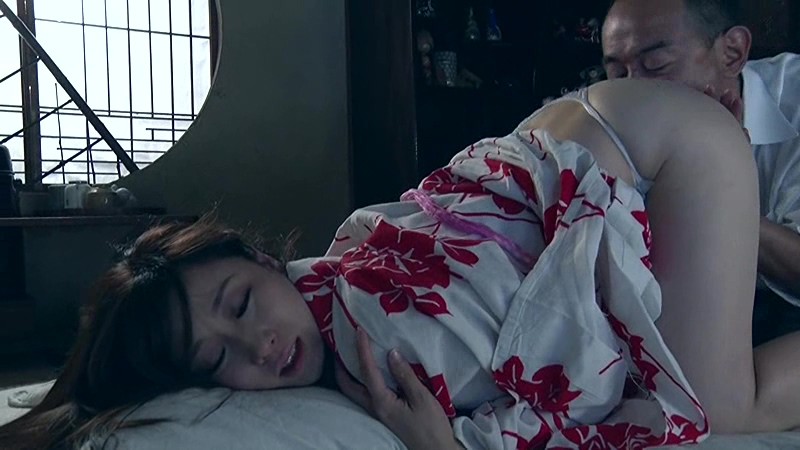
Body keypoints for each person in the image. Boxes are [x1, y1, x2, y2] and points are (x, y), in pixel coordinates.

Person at [3, 79, 800, 450]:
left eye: (241, 304)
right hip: (586, 129)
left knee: (719, 407)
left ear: (264, 260)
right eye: (218, 362)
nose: (259, 348)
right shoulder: (328, 276)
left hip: (660, 146)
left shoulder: (380, 345)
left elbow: (575, 388)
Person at [601, 0, 800, 339]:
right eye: (619, 74)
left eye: (656, 65)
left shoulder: (793, 102)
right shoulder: (612, 113)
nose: (632, 89)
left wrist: (719, 192)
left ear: (732, 53)